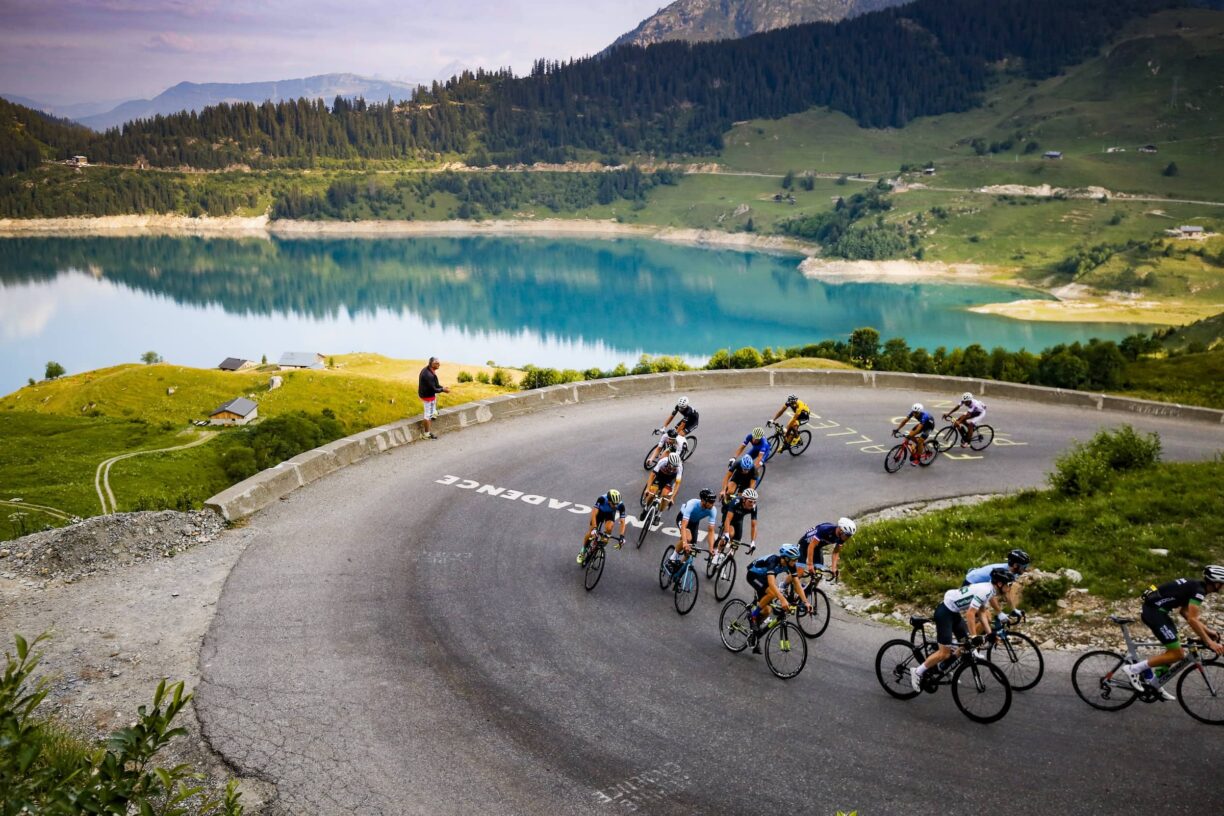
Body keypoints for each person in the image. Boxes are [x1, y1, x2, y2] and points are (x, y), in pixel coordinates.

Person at [1121, 566, 1224, 695]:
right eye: (1222, 584)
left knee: (1175, 647)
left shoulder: (1196, 587)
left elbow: (1185, 612)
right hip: (1154, 613)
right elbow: (1192, 619)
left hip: (1159, 612)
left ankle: (1155, 683)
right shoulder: (1199, 591)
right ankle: (1133, 669)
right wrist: (1210, 642)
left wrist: (1207, 631)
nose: (1222, 587)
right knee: (1178, 654)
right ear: (1216, 583)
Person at [911, 568, 1014, 691]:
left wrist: (989, 633)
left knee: (966, 646)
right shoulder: (985, 590)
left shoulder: (990, 591)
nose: (1010, 587)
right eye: (1009, 584)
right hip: (945, 613)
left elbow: (981, 612)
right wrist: (974, 636)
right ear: (1000, 584)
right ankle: (917, 672)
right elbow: (970, 614)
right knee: (944, 653)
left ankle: (943, 667)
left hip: (954, 613)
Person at [744, 543, 810, 653]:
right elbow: (771, 583)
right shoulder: (773, 561)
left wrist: (806, 602)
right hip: (753, 575)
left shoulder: (790, 564)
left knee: (767, 611)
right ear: (786, 558)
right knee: (773, 593)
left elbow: (797, 583)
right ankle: (753, 616)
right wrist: (783, 600)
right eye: (794, 560)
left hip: (764, 578)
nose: (795, 562)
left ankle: (754, 635)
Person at [963, 549, 1030, 621]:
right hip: (971, 582)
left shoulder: (1013, 573)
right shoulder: (1001, 573)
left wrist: (1013, 609)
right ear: (1015, 565)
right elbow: (990, 593)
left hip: (980, 583)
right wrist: (999, 612)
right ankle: (971, 632)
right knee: (986, 617)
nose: (1026, 569)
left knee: (985, 616)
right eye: (1024, 567)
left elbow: (1006, 592)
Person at [666, 488, 719, 571]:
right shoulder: (692, 504)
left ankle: (679, 568)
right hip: (682, 519)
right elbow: (684, 526)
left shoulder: (713, 510)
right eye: (710, 502)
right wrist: (684, 543)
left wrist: (711, 548)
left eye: (713, 502)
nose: (712, 505)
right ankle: (672, 558)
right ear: (703, 500)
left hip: (694, 523)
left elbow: (711, 530)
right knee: (687, 538)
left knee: (691, 549)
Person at [578, 489, 627, 564]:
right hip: (599, 513)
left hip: (610, 514)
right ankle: (583, 551)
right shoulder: (602, 499)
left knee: (609, 528)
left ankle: (602, 544)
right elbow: (594, 514)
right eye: (614, 504)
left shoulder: (621, 505)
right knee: (591, 533)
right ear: (609, 501)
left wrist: (622, 536)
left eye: (617, 504)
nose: (616, 506)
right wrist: (594, 528)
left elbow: (623, 522)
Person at [714, 488, 758, 565]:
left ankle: (724, 566)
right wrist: (726, 534)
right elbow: (728, 519)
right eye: (750, 501)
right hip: (728, 516)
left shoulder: (753, 507)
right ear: (744, 499)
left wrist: (753, 542)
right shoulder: (736, 502)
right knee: (730, 534)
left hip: (739, 520)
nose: (752, 504)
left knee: (735, 544)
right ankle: (717, 553)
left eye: (754, 501)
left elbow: (754, 526)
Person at [642, 452, 684, 518]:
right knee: (651, 493)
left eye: (675, 467)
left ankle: (659, 514)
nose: (673, 469)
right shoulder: (663, 461)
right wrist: (647, 489)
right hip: (660, 476)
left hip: (670, 479)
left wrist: (672, 498)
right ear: (668, 462)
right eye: (672, 466)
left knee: (665, 496)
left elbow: (677, 484)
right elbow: (652, 475)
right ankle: (646, 508)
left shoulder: (680, 467)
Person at [417, 357, 450, 440]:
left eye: (439, 362)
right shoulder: (429, 375)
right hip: (427, 396)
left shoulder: (429, 370)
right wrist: (443, 390)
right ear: (431, 364)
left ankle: (434, 412)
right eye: (436, 363)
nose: (439, 364)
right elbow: (434, 389)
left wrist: (442, 387)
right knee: (427, 415)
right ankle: (426, 434)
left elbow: (435, 385)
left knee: (434, 402)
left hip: (426, 393)